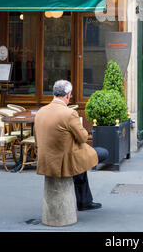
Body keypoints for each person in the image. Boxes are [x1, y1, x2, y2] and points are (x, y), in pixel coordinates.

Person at [34, 80, 109, 211]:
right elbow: (83, 137)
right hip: (64, 162)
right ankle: (84, 202)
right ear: (68, 95)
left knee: (81, 163)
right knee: (103, 152)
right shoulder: (69, 113)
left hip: (45, 160)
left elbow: (37, 137)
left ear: (53, 93)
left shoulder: (41, 111)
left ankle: (85, 201)